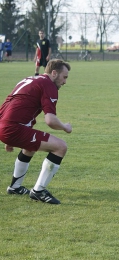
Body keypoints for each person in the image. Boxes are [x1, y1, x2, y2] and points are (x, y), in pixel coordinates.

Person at [0, 59, 72, 204]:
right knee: (60, 147)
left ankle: (15, 187)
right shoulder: (49, 85)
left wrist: (6, 135)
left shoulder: (30, 79)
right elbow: (50, 120)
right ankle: (38, 191)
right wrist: (65, 127)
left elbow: (10, 103)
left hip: (5, 125)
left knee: (30, 147)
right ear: (54, 73)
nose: (65, 82)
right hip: (12, 128)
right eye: (64, 77)